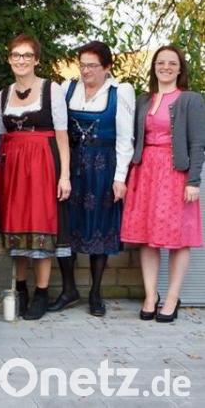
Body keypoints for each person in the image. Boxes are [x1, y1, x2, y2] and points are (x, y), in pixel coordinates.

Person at [50, 42, 136, 317]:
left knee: (100, 227)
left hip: (103, 166)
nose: (85, 70)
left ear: (107, 67)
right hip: (71, 165)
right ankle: (68, 289)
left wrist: (120, 177)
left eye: (92, 66)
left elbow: (125, 138)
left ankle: (96, 292)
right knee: (67, 226)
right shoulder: (67, 89)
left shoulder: (120, 92)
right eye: (82, 64)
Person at [122, 45, 205, 323]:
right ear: (154, 66)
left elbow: (198, 143)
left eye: (172, 63)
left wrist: (194, 181)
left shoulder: (190, 99)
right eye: (161, 62)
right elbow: (134, 139)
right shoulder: (144, 99)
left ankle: (171, 297)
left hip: (175, 173)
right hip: (145, 172)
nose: (166, 67)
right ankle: (150, 295)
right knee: (148, 237)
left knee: (178, 239)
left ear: (180, 68)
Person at [0, 34, 71, 321]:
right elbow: (0, 139)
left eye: (27, 55)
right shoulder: (1, 96)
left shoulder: (52, 90)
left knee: (41, 225)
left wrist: (65, 176)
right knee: (17, 227)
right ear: (9, 59)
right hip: (13, 167)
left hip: (42, 164)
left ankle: (41, 292)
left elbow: (62, 136)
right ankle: (21, 289)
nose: (21, 60)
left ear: (37, 59)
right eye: (16, 55)